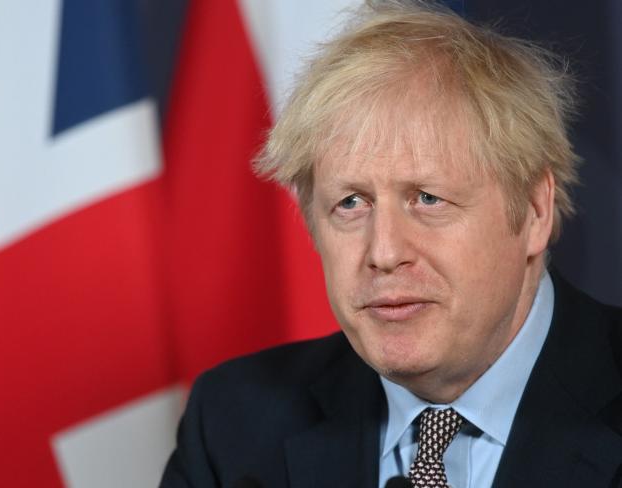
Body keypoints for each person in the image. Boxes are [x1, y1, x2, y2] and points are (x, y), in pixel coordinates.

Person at [160, 1, 622, 487]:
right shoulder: (233, 426)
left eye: (427, 198)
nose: (383, 252)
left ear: (534, 210)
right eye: (351, 203)